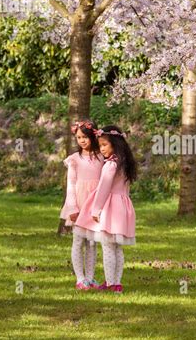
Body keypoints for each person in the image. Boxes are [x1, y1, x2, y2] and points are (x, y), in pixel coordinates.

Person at [75, 125, 137, 293]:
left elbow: (103, 188)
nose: (101, 149)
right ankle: (117, 283)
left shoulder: (111, 165)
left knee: (108, 245)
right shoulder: (124, 163)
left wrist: (96, 210)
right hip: (123, 205)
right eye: (100, 145)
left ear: (115, 145)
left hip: (110, 206)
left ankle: (110, 283)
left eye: (104, 145)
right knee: (117, 247)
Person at [59, 121, 104, 291]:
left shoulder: (101, 157)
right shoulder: (74, 159)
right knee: (78, 241)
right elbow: (71, 184)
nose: (82, 140)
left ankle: (91, 278)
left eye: (85, 137)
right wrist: (72, 208)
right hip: (79, 203)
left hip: (94, 204)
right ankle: (80, 278)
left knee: (92, 243)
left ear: (93, 136)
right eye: (78, 137)